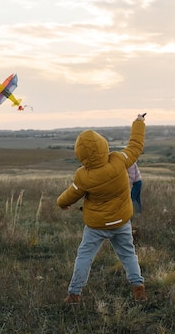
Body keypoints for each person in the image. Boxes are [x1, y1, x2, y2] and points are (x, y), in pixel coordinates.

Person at [57, 113, 147, 304]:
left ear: (80, 155)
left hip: (96, 226)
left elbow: (70, 195)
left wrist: (62, 203)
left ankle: (74, 294)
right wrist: (138, 122)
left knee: (85, 256)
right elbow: (135, 146)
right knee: (129, 254)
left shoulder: (82, 175)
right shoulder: (119, 160)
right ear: (103, 145)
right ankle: (138, 287)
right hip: (122, 221)